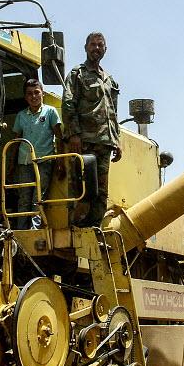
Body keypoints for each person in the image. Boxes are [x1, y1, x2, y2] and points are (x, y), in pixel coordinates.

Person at [63, 31, 121, 227]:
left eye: (100, 45)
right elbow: (69, 104)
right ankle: (77, 228)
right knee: (81, 188)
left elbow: (113, 113)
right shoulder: (77, 74)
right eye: (93, 45)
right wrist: (75, 134)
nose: (96, 48)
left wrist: (117, 140)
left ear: (105, 49)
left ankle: (94, 229)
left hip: (105, 143)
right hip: (85, 141)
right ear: (86, 48)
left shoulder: (110, 81)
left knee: (101, 192)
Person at [9, 76, 61, 228]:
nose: (33, 96)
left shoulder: (50, 112)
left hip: (44, 161)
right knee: (24, 197)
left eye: (36, 92)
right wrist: (12, 164)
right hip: (24, 162)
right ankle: (20, 230)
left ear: (42, 94)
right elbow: (16, 141)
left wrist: (60, 162)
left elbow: (59, 137)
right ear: (25, 97)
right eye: (30, 93)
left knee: (38, 197)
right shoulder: (21, 115)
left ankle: (34, 230)